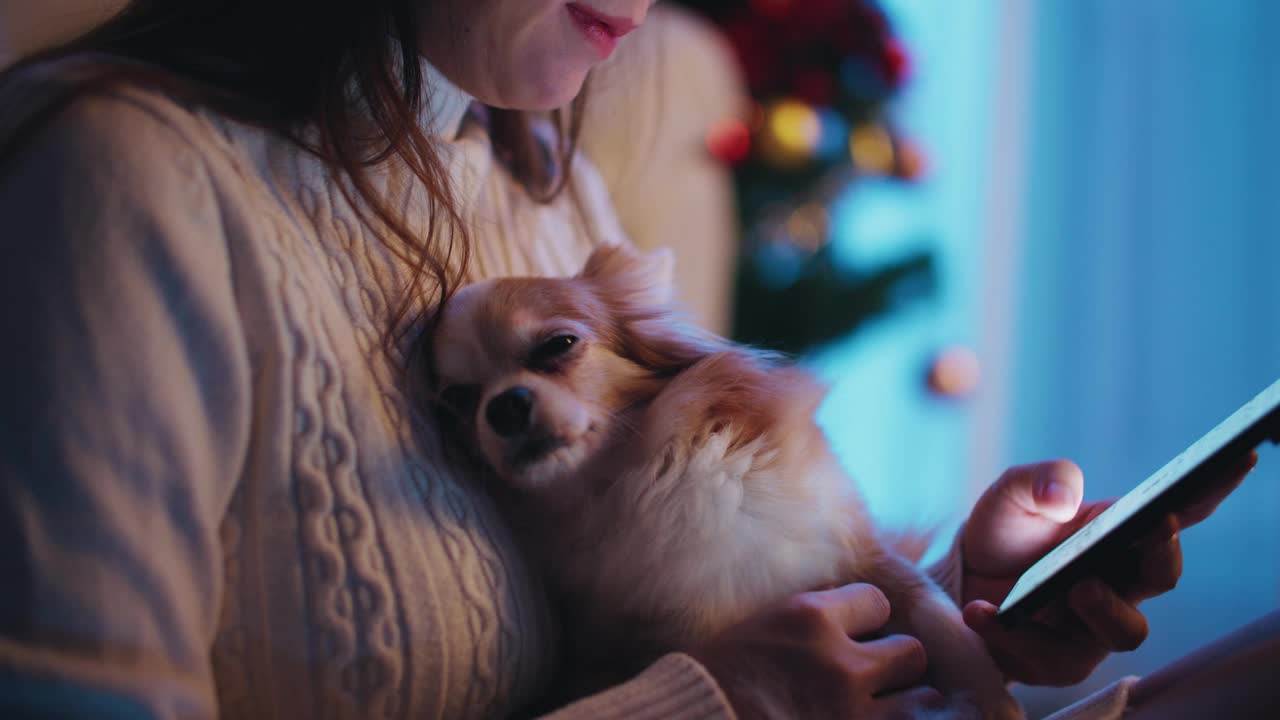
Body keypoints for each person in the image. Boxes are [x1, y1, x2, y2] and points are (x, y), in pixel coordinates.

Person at [0, 1, 1259, 718]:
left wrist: (941, 615)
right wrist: (704, 707)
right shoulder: (130, 180)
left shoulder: (551, 192)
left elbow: (708, 625)